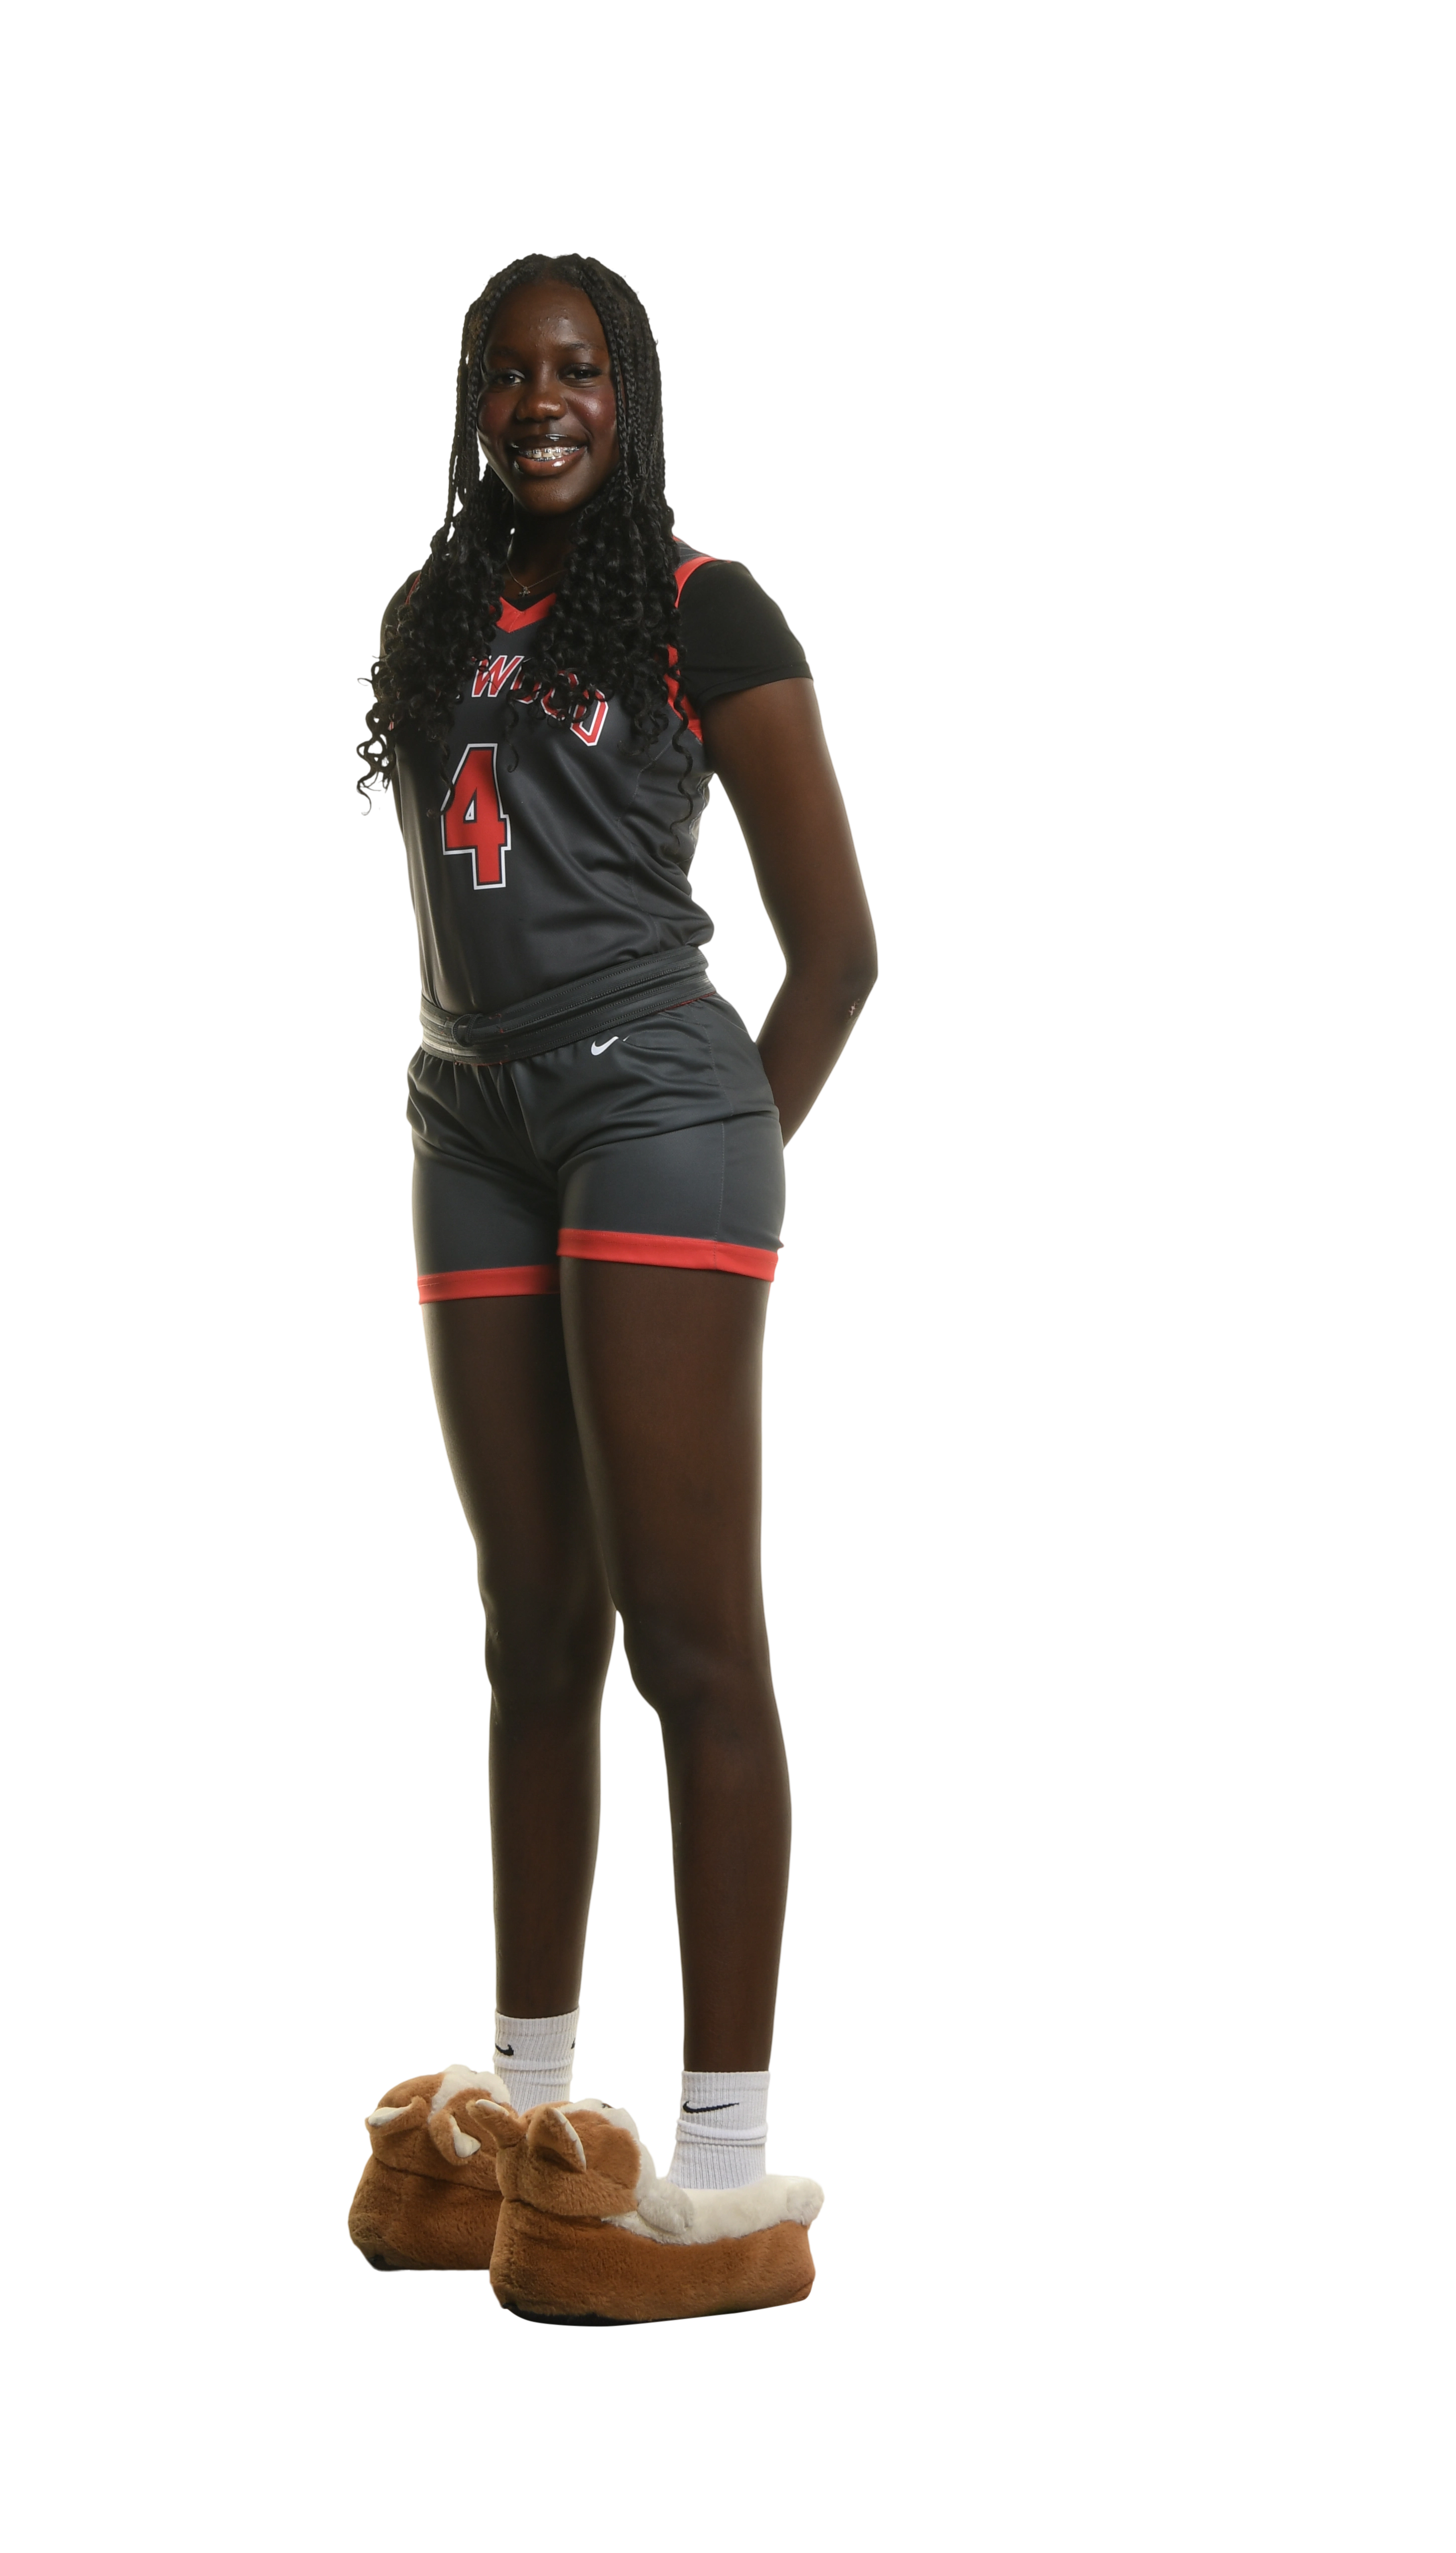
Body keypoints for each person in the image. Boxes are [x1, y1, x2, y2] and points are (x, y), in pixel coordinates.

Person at [357, 253, 875, 2210]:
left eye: (576, 369)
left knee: (685, 1637)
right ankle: (532, 2103)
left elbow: (841, 951)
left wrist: (708, 1163)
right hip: (469, 1117)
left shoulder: (695, 606)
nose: (540, 402)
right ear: (473, 405)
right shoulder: (432, 613)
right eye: (507, 374)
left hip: (649, 1103)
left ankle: (726, 2154)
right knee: (534, 1629)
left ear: (625, 395)